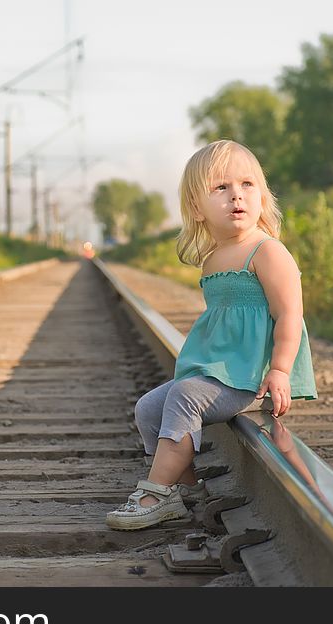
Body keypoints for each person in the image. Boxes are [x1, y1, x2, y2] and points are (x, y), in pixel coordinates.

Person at [107, 139, 318, 531]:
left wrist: (281, 371)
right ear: (197, 209)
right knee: (148, 408)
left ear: (262, 195)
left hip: (246, 375)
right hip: (215, 369)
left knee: (185, 397)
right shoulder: (212, 259)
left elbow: (289, 314)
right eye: (220, 188)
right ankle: (184, 490)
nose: (236, 195)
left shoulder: (268, 252)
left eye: (246, 185)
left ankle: (156, 492)